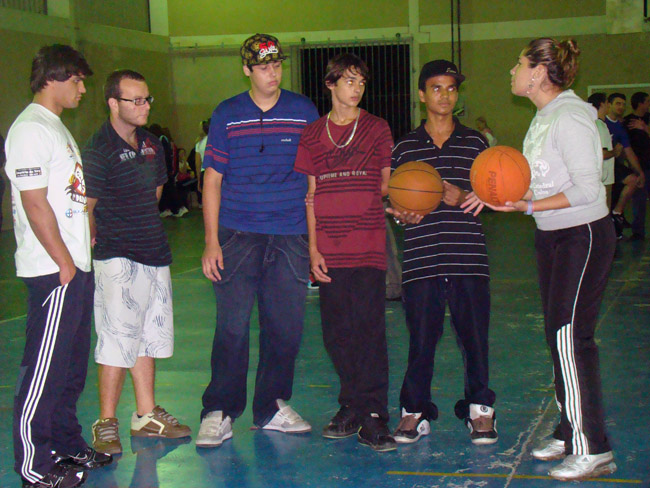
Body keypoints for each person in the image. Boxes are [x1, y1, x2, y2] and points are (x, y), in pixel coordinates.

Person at [464, 37, 617, 482]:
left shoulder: (570, 117)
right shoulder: (544, 118)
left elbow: (590, 191)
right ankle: (572, 431)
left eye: (518, 63)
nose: (512, 70)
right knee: (558, 336)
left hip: (582, 235)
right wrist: (495, 192)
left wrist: (527, 207)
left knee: (571, 338)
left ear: (537, 73)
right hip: (553, 238)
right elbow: (538, 182)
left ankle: (593, 448)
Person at [197, 33, 319, 447]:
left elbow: (313, 178)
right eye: (263, 66)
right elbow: (212, 179)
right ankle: (219, 410)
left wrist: (315, 240)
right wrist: (212, 241)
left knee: (285, 328)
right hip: (237, 233)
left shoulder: (303, 110)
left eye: (277, 65)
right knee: (232, 327)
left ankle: (270, 407)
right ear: (247, 69)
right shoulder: (227, 113)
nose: (273, 73)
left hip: (289, 234)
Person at [5, 44, 111, 488]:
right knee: (43, 369)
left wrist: (85, 237)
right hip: (53, 271)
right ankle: (34, 464)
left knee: (70, 366)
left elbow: (66, 195)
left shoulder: (56, 127)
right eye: (78, 80)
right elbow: (33, 203)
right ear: (53, 78)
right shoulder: (30, 129)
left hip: (73, 267)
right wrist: (65, 264)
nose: (83, 89)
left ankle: (65, 443)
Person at [387, 60, 497, 446]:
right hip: (422, 259)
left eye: (451, 88)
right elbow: (396, 201)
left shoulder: (476, 144)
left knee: (474, 339)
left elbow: (493, 201)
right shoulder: (404, 147)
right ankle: (413, 411)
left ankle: (480, 408)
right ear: (422, 95)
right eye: (436, 88)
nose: (445, 96)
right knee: (421, 340)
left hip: (468, 256)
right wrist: (402, 214)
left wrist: (461, 196)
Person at [83, 69, 191, 456]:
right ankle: (106, 421)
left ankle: (145, 415)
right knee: (116, 341)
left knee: (148, 336)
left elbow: (156, 193)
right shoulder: (98, 148)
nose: (144, 106)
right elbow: (87, 209)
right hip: (117, 259)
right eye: (135, 100)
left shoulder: (151, 144)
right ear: (114, 103)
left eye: (147, 99)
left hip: (154, 253)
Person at [294, 53, 395, 451]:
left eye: (361, 82)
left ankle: (372, 415)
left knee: (369, 332)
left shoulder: (377, 129)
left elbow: (386, 185)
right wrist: (312, 250)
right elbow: (310, 196)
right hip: (329, 250)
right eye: (349, 81)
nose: (356, 88)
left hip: (367, 246)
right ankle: (351, 404)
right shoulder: (313, 135)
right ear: (331, 84)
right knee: (337, 335)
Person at [605, 93, 644, 238]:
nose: (621, 107)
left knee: (633, 179)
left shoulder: (620, 127)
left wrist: (640, 172)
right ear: (608, 104)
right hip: (600, 166)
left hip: (613, 164)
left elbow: (628, 151)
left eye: (623, 104)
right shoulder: (600, 123)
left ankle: (617, 213)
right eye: (618, 103)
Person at [587, 93, 622, 208]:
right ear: (602, 104)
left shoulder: (595, 124)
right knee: (603, 211)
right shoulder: (599, 125)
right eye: (607, 103)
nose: (608, 106)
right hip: (603, 178)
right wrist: (615, 152)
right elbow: (601, 153)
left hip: (602, 177)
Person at [624, 92, 650, 240]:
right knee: (639, 201)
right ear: (640, 103)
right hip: (640, 167)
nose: (648, 104)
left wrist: (645, 128)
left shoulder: (648, 119)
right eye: (647, 101)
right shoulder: (628, 122)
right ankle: (638, 232)